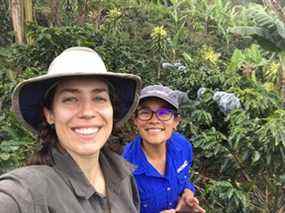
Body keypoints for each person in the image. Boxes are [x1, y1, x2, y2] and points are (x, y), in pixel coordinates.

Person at [0, 47, 142, 213]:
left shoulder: (123, 177)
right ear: (50, 114)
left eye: (99, 98)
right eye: (70, 99)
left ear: (112, 108)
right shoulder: (28, 191)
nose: (87, 112)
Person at [123, 85, 206, 213]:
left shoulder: (183, 146)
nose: (154, 120)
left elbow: (184, 178)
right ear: (135, 120)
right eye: (145, 113)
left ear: (176, 121)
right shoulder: (122, 166)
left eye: (164, 113)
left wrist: (187, 194)